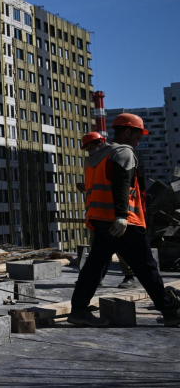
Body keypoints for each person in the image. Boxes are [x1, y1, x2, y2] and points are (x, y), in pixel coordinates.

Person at [68, 113, 179, 327]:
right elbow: (122, 185)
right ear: (127, 131)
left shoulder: (100, 155)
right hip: (123, 223)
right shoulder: (124, 152)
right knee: (146, 267)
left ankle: (79, 310)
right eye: (139, 134)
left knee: (95, 266)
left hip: (100, 220)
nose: (140, 139)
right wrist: (121, 215)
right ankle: (169, 311)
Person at [77, 132, 136, 289]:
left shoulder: (113, 156)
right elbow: (99, 185)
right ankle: (94, 278)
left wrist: (121, 215)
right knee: (98, 252)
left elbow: (119, 185)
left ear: (99, 143)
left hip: (113, 213)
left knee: (122, 248)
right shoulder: (91, 162)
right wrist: (85, 187)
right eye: (87, 149)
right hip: (97, 215)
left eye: (90, 147)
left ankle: (130, 276)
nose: (89, 151)